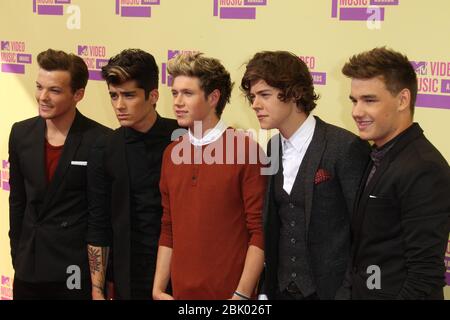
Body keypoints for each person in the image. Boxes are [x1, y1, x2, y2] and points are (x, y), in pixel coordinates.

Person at [240, 51, 371, 300]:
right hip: (281, 291)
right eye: (253, 96)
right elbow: (275, 224)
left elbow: (364, 235)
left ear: (295, 93)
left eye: (265, 95)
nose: (255, 104)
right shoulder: (273, 147)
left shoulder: (344, 147)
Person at [152, 52, 266, 300]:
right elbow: (168, 227)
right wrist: (158, 289)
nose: (177, 102)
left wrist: (242, 295)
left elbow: (259, 231)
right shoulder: (172, 154)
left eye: (188, 93)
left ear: (213, 97)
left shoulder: (245, 150)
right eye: (174, 93)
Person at [342, 47, 450, 299]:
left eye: (369, 100)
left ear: (402, 100)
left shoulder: (424, 168)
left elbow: (424, 276)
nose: (357, 111)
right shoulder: (378, 153)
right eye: (354, 100)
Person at [8, 48, 111, 300]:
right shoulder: (21, 133)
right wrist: (18, 256)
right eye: (39, 86)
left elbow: (100, 217)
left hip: (73, 271)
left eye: (54, 90)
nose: (42, 97)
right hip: (28, 269)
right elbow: (17, 203)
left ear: (78, 94)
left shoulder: (100, 141)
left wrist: (99, 284)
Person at [86, 49, 179, 300]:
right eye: (113, 96)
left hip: (181, 274)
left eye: (129, 95)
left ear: (153, 96)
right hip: (129, 278)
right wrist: (97, 289)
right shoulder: (105, 148)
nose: (119, 105)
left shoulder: (182, 137)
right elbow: (98, 223)